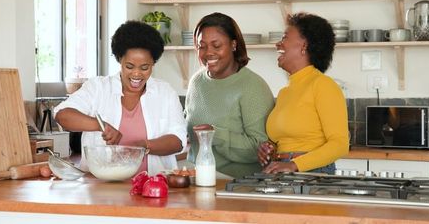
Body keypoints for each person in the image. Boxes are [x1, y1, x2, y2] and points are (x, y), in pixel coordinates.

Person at [54, 21, 187, 176]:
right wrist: (99, 125)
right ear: (119, 60)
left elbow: (178, 141)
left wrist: (144, 146)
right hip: (100, 186)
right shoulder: (98, 88)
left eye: (145, 68)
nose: (137, 74)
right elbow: (62, 115)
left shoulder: (165, 92)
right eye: (129, 66)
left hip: (153, 185)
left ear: (153, 63)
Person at [185, 12, 275, 178]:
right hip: (196, 177)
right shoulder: (196, 82)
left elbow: (260, 149)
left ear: (234, 45)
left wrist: (215, 134)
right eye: (201, 46)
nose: (208, 53)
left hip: (237, 184)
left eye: (216, 46)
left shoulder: (253, 86)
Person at [258, 12, 349, 175]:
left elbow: (340, 144)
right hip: (281, 171)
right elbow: (288, 141)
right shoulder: (285, 92)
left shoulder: (323, 85)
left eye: (285, 37)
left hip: (312, 174)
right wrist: (271, 150)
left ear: (304, 46)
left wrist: (294, 165)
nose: (278, 44)